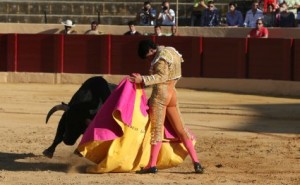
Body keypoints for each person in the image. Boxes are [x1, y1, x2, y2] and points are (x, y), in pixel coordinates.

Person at [128, 39, 204, 174]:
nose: (149, 59)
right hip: (173, 93)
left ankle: (152, 165)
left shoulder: (160, 57)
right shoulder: (172, 51)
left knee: (156, 130)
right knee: (181, 130)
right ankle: (196, 162)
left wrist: (143, 79)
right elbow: (175, 74)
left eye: (148, 56)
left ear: (151, 50)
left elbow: (161, 77)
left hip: (161, 95)